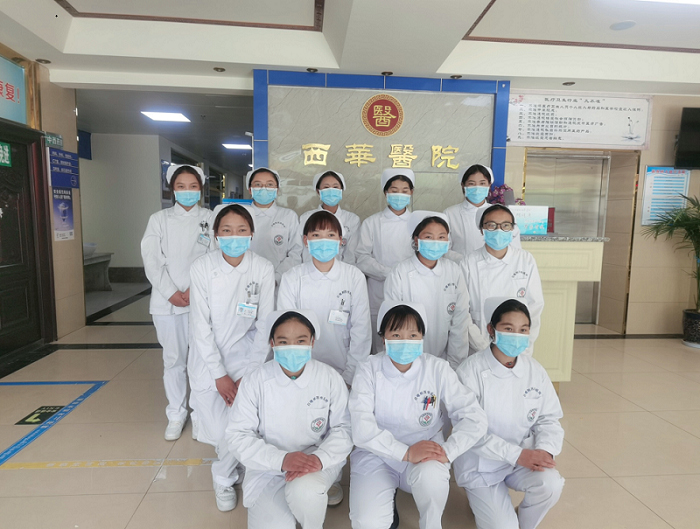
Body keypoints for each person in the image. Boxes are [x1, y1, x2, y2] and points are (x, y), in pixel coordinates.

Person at [348, 301, 488, 529]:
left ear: (422, 337)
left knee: (432, 481)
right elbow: (361, 426)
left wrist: (449, 450)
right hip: (376, 454)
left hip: (426, 449)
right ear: (383, 338)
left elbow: (474, 417)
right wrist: (404, 452)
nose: (405, 342)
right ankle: (386, 500)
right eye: (396, 335)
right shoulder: (368, 369)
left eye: (413, 335)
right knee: (367, 522)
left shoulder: (437, 368)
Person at [277, 210, 371, 506]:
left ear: (341, 240)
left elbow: (361, 328)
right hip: (301, 364)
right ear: (305, 240)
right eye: (316, 235)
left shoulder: (353, 276)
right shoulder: (293, 277)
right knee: (307, 417)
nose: (323, 240)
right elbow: (285, 326)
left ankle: (332, 473)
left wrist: (351, 374)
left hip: (343, 364)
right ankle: (303, 465)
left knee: (339, 422)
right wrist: (295, 369)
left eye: (330, 235)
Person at [226, 309, 353, 529]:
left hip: (315, 461)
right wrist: (281, 459)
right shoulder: (255, 381)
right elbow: (238, 435)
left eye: (300, 340)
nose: (292, 347)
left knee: (305, 491)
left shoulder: (329, 378)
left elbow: (345, 428)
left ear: (312, 342)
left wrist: (319, 458)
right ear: (272, 343)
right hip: (267, 467)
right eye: (283, 342)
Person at [188, 204, 275, 512]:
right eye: (226, 230)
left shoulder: (262, 268)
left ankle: (223, 478)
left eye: (241, 230)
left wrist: (249, 372)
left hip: (247, 357)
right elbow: (200, 326)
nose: (234, 236)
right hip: (206, 361)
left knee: (240, 423)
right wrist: (219, 374)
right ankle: (233, 463)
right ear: (215, 235)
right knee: (219, 430)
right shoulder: (202, 268)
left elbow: (265, 324)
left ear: (251, 234)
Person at [454, 297, 564, 529]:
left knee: (551, 484)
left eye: (523, 330)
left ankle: (523, 523)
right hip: (481, 465)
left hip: (523, 458)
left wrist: (545, 450)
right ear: (491, 330)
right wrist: (517, 455)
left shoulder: (534, 370)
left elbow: (549, 418)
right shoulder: (469, 372)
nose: (516, 336)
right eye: (508, 329)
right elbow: (469, 432)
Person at [141, 163, 214, 441]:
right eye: (181, 186)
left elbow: (215, 256)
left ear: (201, 189)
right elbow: (152, 259)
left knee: (202, 359)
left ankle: (200, 414)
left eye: (193, 186)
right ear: (172, 189)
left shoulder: (210, 217)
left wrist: (195, 290)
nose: (187, 191)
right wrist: (171, 292)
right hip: (166, 303)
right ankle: (176, 413)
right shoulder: (159, 219)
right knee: (174, 360)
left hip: (201, 299)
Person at [384, 211, 489, 369]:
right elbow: (394, 323)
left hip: (444, 359)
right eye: (428, 237)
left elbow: (459, 321)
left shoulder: (453, 271)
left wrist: (454, 364)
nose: (435, 242)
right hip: (407, 358)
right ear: (416, 239)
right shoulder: (399, 273)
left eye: (441, 237)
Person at [460, 204, 544, 356]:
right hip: (479, 343)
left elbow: (535, 306)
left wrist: (524, 343)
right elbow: (462, 310)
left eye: (505, 225)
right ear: (482, 229)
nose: (499, 230)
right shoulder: (468, 263)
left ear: (512, 229)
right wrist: (482, 346)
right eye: (492, 225)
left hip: (518, 345)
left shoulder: (525, 260)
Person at [353, 168, 416, 353]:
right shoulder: (372, 222)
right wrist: (390, 273)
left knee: (409, 338)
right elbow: (361, 257)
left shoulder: (418, 222)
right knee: (381, 342)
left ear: (411, 192)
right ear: (385, 193)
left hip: (412, 288)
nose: (399, 195)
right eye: (394, 190)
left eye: (404, 190)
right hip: (379, 291)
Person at [443, 164, 521, 261]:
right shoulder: (450, 214)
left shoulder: (502, 213)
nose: (477, 188)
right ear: (463, 185)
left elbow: (514, 247)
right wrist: (467, 261)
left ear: (489, 185)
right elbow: (444, 248)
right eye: (471, 183)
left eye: (482, 183)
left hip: (495, 266)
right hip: (460, 266)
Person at [246, 167, 303, 286]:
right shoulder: (241, 215)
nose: (264, 188)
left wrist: (276, 277)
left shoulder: (288, 216)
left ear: (277, 190)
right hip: (245, 280)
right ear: (250, 190)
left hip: (279, 283)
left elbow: (295, 252)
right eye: (258, 184)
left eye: (270, 184)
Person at [298, 170, 361, 264]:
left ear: (341, 190)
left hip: (342, 271)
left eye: (335, 187)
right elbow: (303, 251)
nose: (331, 191)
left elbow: (351, 255)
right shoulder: (306, 218)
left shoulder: (352, 219)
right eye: (326, 187)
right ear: (318, 191)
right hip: (310, 269)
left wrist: (343, 270)